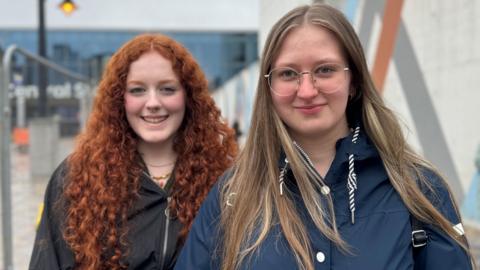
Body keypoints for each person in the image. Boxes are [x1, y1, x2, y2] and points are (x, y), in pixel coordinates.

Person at [174, 3, 474, 270]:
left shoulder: (419, 190)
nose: (306, 91)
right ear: (269, 86)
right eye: (289, 73)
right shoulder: (233, 195)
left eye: (325, 70)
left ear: (353, 80)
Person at [29, 34, 237, 270]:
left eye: (167, 89)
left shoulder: (225, 179)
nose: (153, 102)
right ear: (120, 99)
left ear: (188, 97)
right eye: (137, 90)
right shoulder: (75, 178)